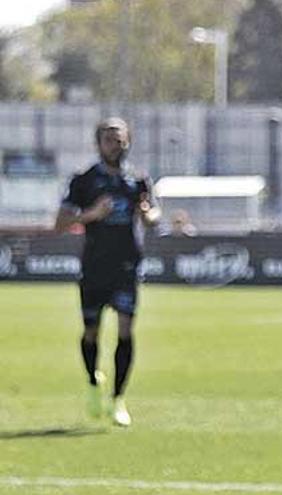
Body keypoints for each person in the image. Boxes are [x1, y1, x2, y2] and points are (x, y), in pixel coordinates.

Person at [55, 117, 161, 427]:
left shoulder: (138, 180)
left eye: (120, 139)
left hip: (127, 266)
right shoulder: (84, 180)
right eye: (109, 139)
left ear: (128, 142)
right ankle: (92, 381)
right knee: (91, 332)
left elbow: (154, 215)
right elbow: (60, 223)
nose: (116, 145)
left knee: (126, 330)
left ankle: (118, 399)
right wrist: (91, 214)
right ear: (98, 144)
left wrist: (148, 215)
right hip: (94, 268)